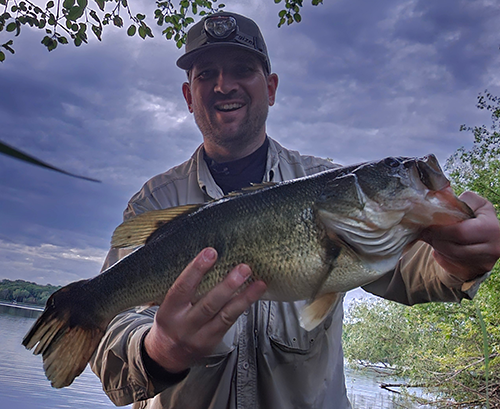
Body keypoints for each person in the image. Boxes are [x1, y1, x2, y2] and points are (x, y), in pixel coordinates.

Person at [90, 11, 500, 409]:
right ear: (188, 96)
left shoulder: (330, 186)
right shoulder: (154, 202)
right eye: (205, 75)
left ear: (270, 88)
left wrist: (462, 257)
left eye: (241, 69)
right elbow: (109, 335)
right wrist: (159, 350)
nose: (223, 85)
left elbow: (420, 270)